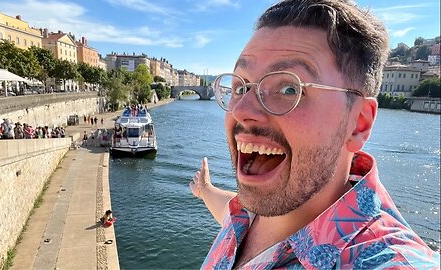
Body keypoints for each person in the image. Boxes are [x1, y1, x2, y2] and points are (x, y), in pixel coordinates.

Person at [189, 1, 440, 269]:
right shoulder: (252, 214)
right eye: (241, 86)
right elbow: (233, 212)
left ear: (358, 123)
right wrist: (205, 190)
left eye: (288, 89)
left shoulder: (387, 261)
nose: (241, 111)